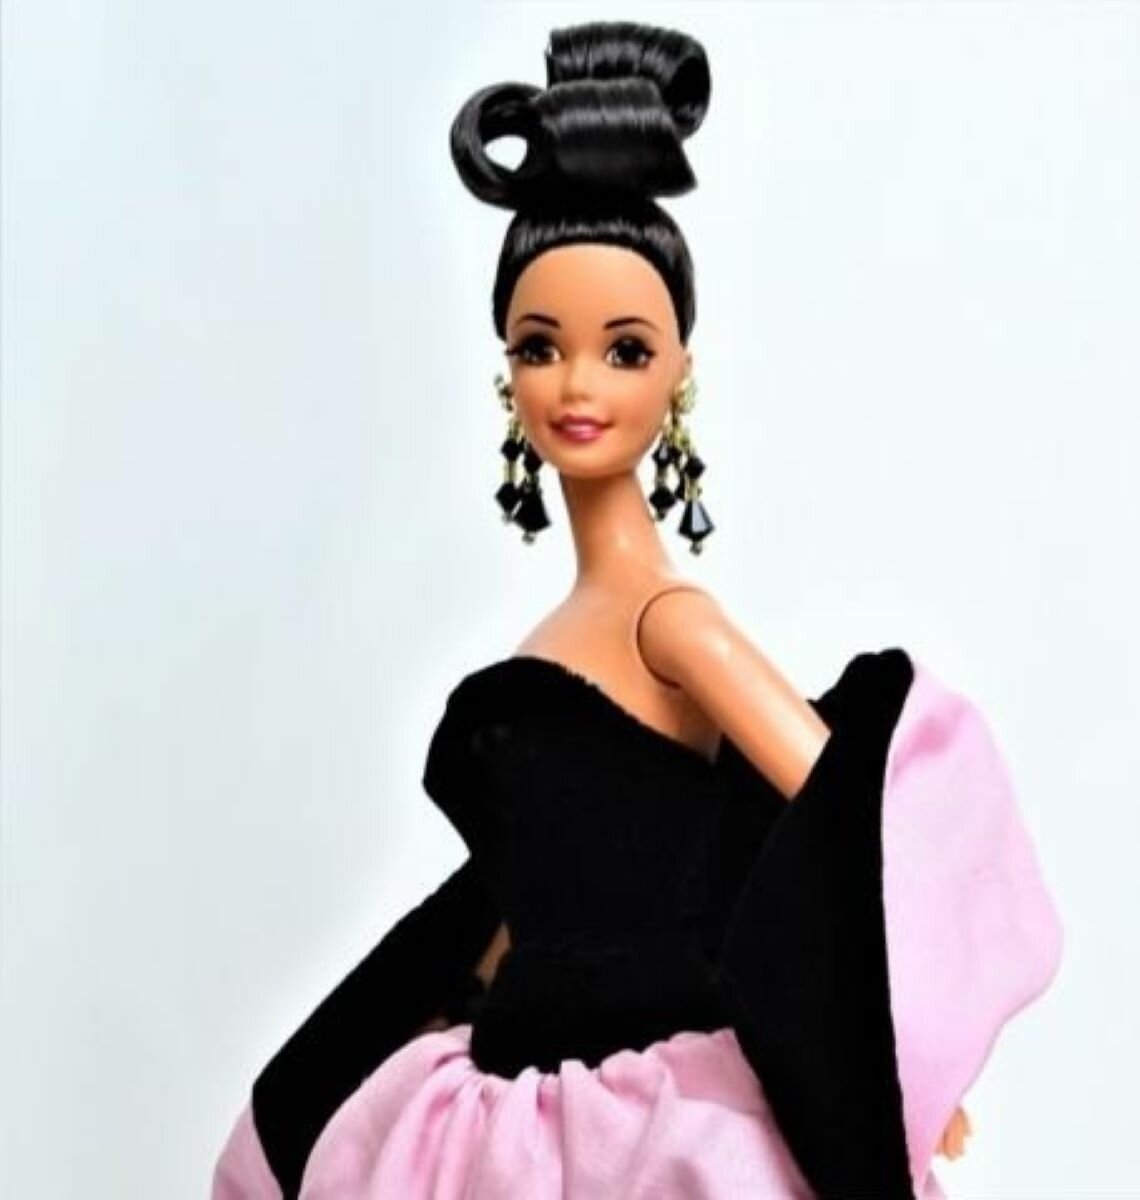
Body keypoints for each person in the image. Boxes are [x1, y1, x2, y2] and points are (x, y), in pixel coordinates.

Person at [212, 20, 1063, 1199]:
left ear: (678, 372)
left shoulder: (673, 624)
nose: (576, 384)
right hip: (504, 1119)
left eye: (622, 350)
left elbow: (848, 814)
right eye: (540, 346)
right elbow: (527, 892)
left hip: (650, 1119)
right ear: (505, 369)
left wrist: (902, 1048)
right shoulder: (565, 632)